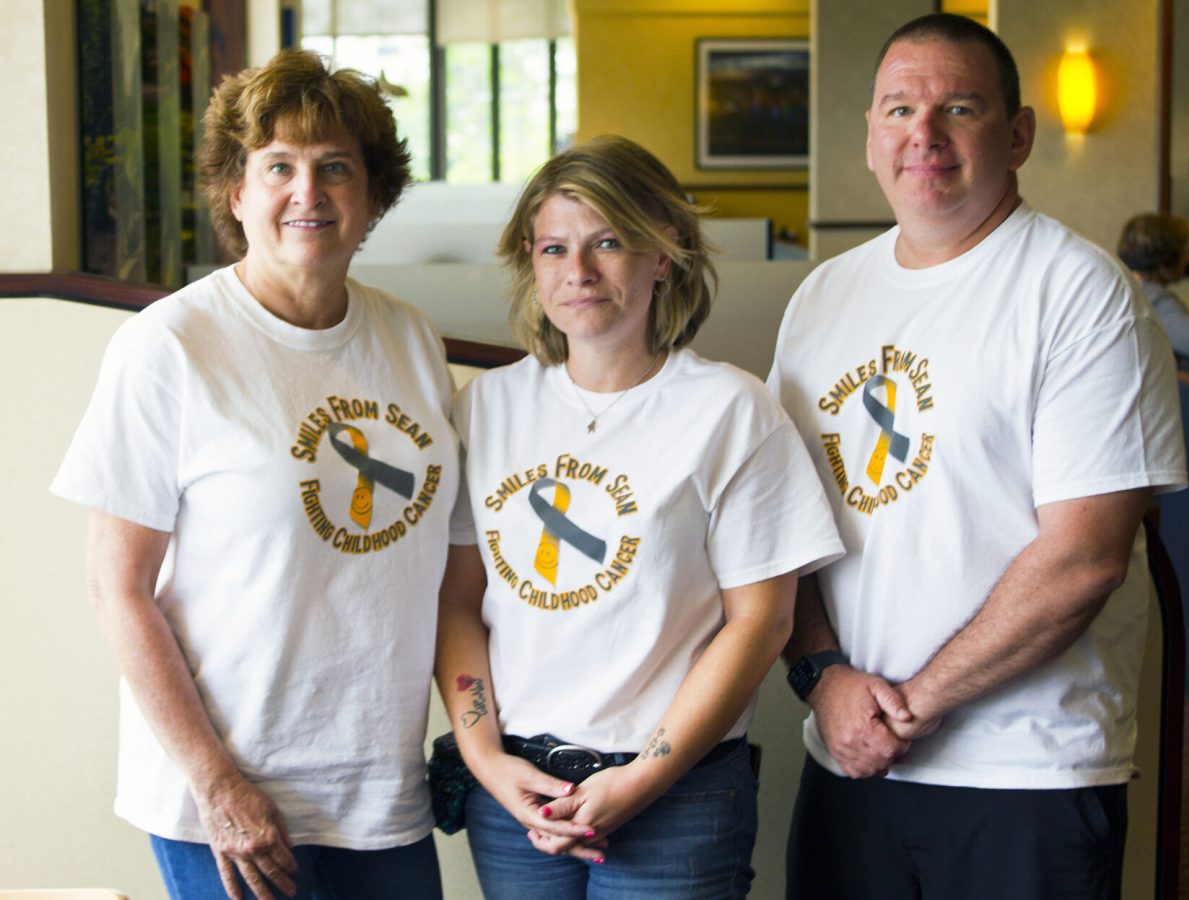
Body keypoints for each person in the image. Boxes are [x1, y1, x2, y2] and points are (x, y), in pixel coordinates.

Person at [767, 14, 1187, 900]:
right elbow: (780, 524)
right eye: (899, 110)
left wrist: (908, 707)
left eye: (959, 108)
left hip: (1024, 774)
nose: (923, 134)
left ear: (1019, 135)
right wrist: (822, 678)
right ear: (871, 138)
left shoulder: (1081, 295)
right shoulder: (823, 297)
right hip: (848, 763)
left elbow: (1084, 559)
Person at [51, 49, 455, 900]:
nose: (308, 192)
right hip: (231, 799)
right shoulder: (169, 347)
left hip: (379, 791)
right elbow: (117, 590)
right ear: (237, 192)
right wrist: (216, 784)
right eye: (279, 167)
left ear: (373, 196)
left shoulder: (412, 339)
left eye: (335, 167)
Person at [435, 135, 844, 900]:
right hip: (516, 796)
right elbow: (458, 601)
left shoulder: (730, 410)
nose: (578, 271)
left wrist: (642, 778)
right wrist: (485, 759)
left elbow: (762, 623)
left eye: (608, 242)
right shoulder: (484, 408)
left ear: (664, 253)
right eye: (554, 248)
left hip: (677, 798)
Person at [1118, 212, 1189, 366]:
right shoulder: (1155, 300)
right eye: (1184, 250)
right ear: (1168, 257)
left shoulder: (1124, 288)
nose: (1188, 256)